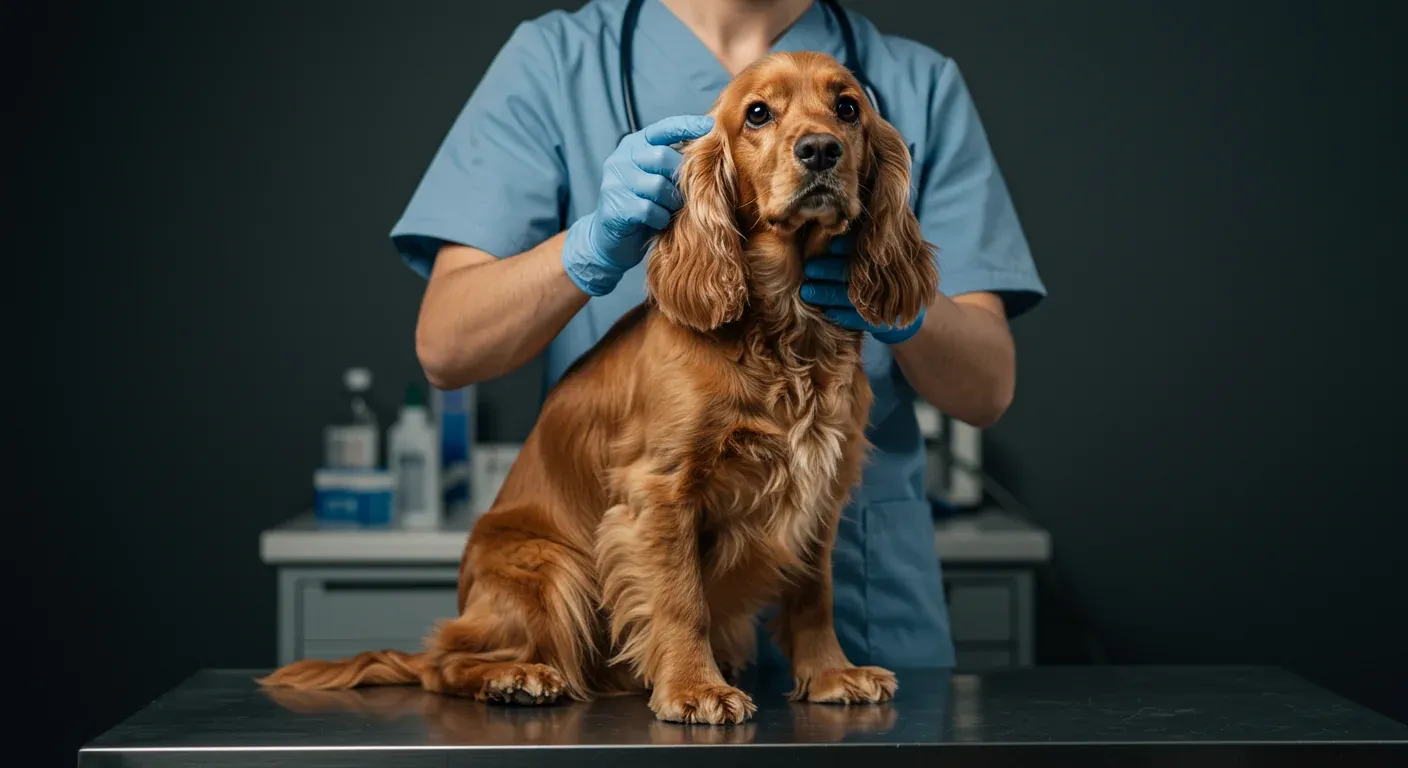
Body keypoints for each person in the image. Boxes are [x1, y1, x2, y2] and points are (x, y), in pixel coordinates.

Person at [390, 0, 1046, 672]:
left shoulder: (920, 81)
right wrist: (586, 248)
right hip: (611, 647)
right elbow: (446, 348)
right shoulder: (556, 60)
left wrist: (903, 305)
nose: (815, 137)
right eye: (760, 116)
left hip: (870, 622)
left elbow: (987, 390)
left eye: (843, 112)